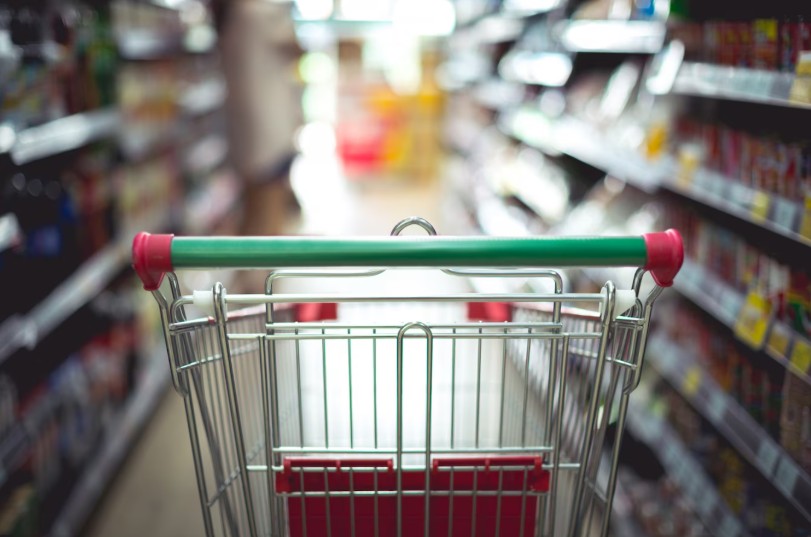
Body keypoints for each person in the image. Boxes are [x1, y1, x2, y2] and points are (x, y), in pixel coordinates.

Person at [212, 0, 302, 236]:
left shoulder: (235, 14)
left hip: (246, 126)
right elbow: (297, 46)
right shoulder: (259, 12)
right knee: (270, 211)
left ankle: (245, 259)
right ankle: (263, 261)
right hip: (269, 127)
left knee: (252, 208)